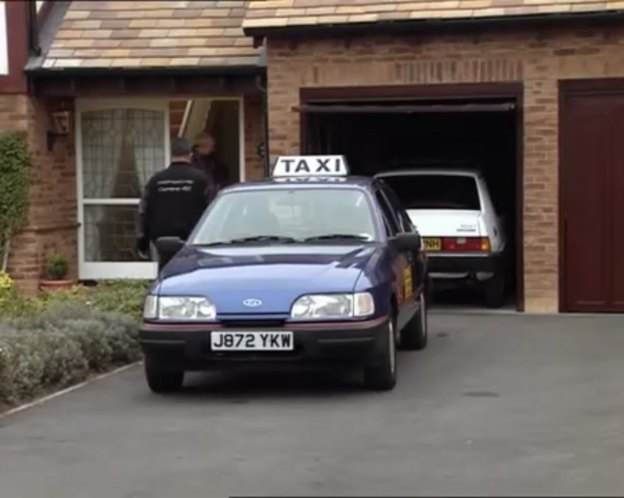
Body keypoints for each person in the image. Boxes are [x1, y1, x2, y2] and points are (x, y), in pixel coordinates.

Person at [136, 137, 215, 270]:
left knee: (165, 276)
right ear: (190, 155)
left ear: (171, 155)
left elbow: (142, 211)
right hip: (193, 240)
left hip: (161, 241)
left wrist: (142, 242)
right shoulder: (202, 180)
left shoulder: (155, 181)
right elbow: (213, 211)